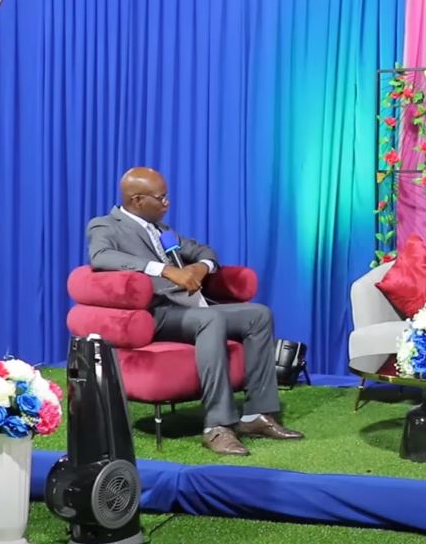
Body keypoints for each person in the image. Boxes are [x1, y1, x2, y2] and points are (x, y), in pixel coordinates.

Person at [86, 167, 304, 456]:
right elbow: (101, 257)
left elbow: (205, 251)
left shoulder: (163, 231)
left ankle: (256, 416)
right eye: (161, 198)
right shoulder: (105, 226)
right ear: (137, 200)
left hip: (191, 307)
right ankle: (217, 426)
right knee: (211, 319)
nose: (167, 203)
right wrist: (165, 270)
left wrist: (201, 267)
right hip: (156, 313)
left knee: (258, 314)